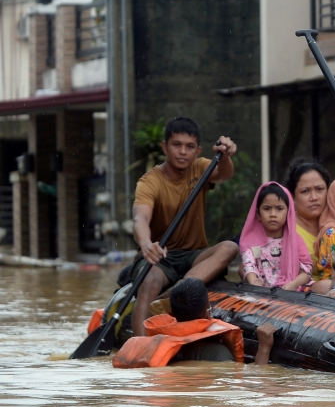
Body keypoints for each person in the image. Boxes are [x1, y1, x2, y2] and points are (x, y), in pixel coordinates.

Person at [128, 117, 239, 337]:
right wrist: (146, 244)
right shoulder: (149, 181)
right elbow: (140, 218)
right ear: (164, 147)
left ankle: (172, 295)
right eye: (176, 145)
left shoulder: (201, 168)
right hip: (161, 257)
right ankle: (141, 346)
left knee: (230, 247)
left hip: (193, 256)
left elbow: (225, 174)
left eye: (189, 147)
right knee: (148, 282)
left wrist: (225, 155)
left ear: (197, 151)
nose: (182, 152)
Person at [113, 278, 277, 367]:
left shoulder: (155, 343)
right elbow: (256, 386)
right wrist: (264, 347)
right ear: (207, 312)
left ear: (172, 312)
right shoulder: (219, 354)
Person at [239, 183, 313, 291]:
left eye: (279, 208)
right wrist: (254, 282)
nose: (273, 214)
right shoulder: (252, 242)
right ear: (258, 214)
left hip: (294, 290)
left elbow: (306, 271)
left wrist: (294, 284)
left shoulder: (295, 240)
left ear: (288, 212)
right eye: (267, 208)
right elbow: (249, 266)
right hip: (262, 292)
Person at [283, 159, 332, 277]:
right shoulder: (285, 230)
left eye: (319, 189)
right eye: (305, 191)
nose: (314, 197)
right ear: (292, 197)